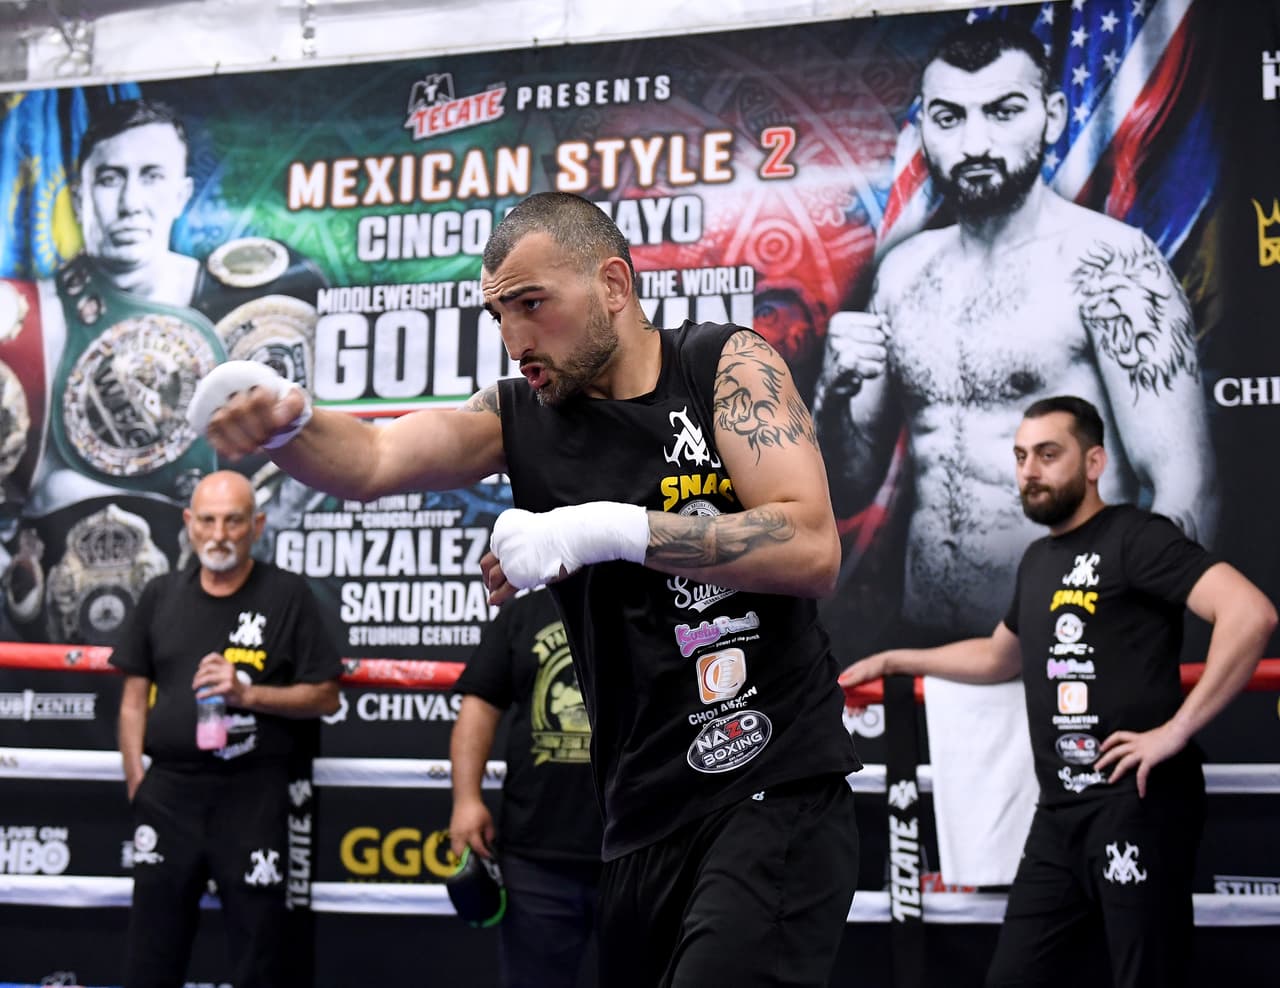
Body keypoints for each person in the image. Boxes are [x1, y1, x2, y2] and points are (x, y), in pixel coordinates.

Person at [196, 190, 861, 987]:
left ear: (613, 284)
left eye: (532, 305)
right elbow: (374, 460)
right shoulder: (520, 415)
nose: (514, 339)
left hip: (770, 784)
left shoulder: (723, 364)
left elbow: (813, 543)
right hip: (638, 815)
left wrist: (601, 528)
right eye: (498, 315)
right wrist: (287, 425)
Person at [840, 395, 1276, 988]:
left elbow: (1249, 613)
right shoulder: (1039, 559)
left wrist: (1174, 732)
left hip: (1138, 803)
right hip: (1058, 815)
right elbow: (1001, 655)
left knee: (1145, 976)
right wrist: (895, 657)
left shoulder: (1136, 536)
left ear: (1094, 462)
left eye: (1048, 454)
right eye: (1021, 456)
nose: (1030, 471)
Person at [812, 20, 1217, 643]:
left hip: (1071, 644)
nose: (975, 143)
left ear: (1052, 116)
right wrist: (832, 393)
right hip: (932, 641)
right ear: (924, 127)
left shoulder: (1108, 263)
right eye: (950, 118)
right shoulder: (902, 272)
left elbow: (1186, 485)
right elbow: (847, 485)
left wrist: (1130, 638)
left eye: (1004, 112)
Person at [1, 97, 326, 643]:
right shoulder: (24, 321)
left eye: (150, 176)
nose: (130, 202)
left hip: (198, 642)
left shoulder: (254, 313)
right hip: (47, 652)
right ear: (79, 196)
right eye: (110, 178)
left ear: (180, 193)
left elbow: (287, 493)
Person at [110, 469, 342, 988]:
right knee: (151, 950)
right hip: (168, 796)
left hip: (253, 795)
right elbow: (131, 700)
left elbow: (325, 696)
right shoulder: (160, 594)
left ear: (256, 525)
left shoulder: (287, 595)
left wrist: (247, 694)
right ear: (190, 524)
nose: (220, 534)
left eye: (233, 521)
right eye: (209, 521)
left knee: (260, 951)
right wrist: (137, 783)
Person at [449, 587, 602, 988]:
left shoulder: (654, 604)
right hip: (536, 857)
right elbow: (479, 705)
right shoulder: (525, 613)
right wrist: (466, 800)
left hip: (642, 850)